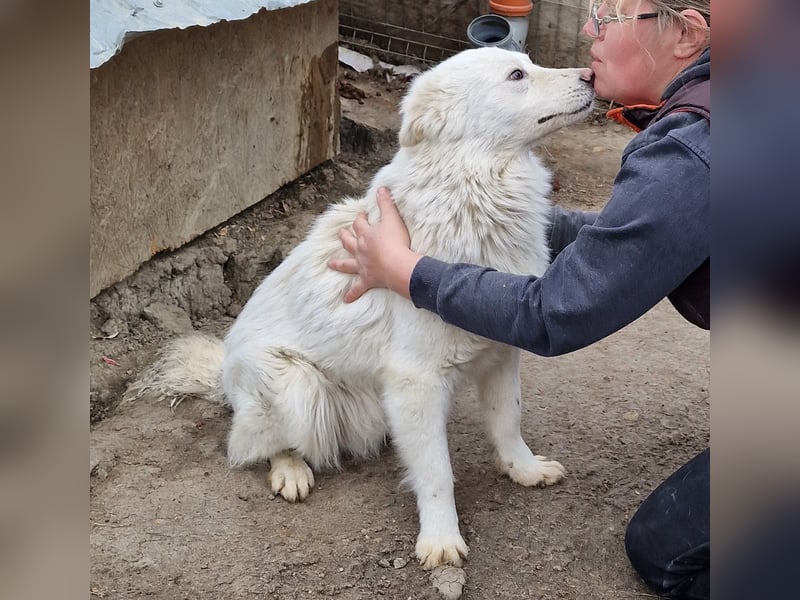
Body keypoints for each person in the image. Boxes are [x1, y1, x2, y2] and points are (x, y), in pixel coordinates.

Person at [328, 1, 710, 598]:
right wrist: (510, 228)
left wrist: (406, 270)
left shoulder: (694, 150)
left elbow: (553, 312)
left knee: (664, 551)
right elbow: (637, 239)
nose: (588, 31)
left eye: (608, 15)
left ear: (685, 33)